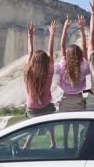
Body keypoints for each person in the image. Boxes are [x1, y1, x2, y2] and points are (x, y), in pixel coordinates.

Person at [23, 19, 58, 148]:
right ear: (46, 61)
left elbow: (30, 52)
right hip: (46, 108)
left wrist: (30, 36)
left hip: (31, 109)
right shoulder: (49, 70)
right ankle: (53, 143)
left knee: (32, 123)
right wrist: (52, 34)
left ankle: (27, 144)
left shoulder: (28, 71)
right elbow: (51, 53)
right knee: (49, 117)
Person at [57, 15, 90, 111]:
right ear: (80, 55)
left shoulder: (63, 65)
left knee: (64, 124)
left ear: (67, 55)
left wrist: (65, 27)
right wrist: (82, 28)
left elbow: (62, 46)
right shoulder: (83, 67)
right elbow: (84, 46)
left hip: (65, 100)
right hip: (79, 101)